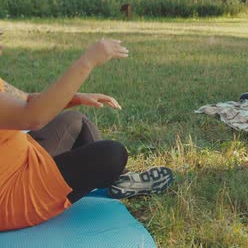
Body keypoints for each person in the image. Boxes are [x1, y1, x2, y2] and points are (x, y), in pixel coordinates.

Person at [0, 36, 172, 231]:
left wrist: (74, 98)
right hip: (11, 198)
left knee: (74, 121)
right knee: (111, 155)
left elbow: (28, 100)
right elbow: (32, 116)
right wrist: (87, 61)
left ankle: (122, 180)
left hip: (23, 161)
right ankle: (119, 177)